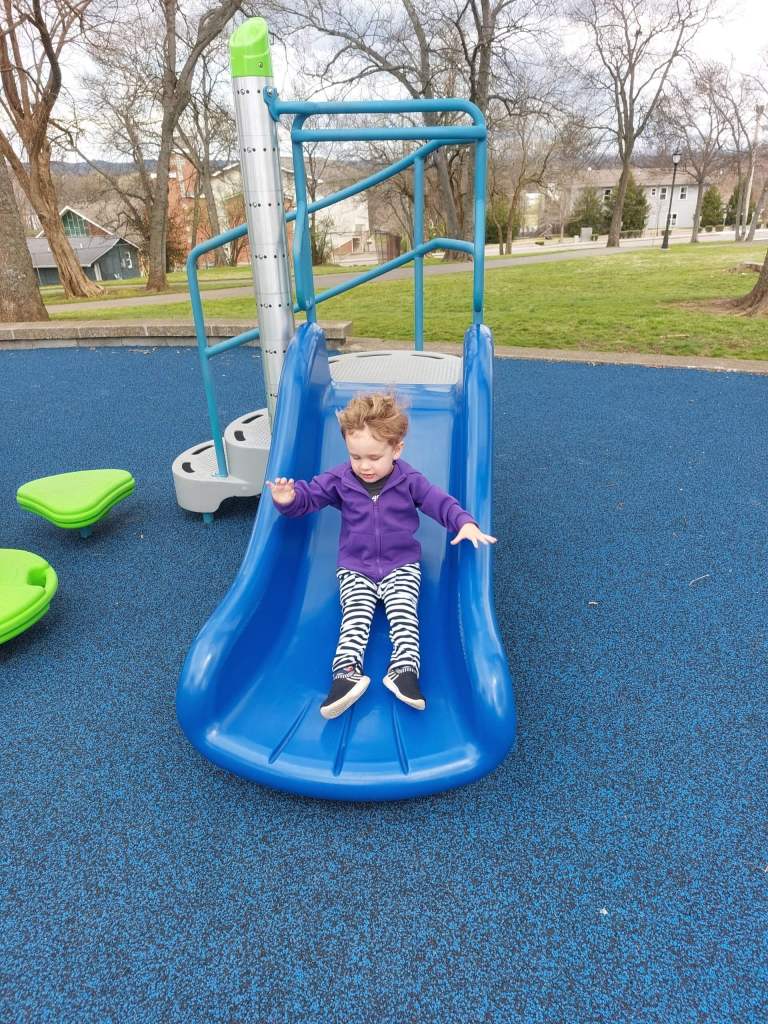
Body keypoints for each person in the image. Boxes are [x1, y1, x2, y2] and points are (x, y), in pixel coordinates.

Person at [266, 392, 496, 720]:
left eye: (374, 457)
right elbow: (309, 498)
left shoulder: (409, 480)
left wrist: (465, 522)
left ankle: (403, 672)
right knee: (354, 619)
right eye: (355, 457)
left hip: (401, 564)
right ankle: (345, 676)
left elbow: (439, 502)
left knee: (404, 616)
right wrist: (288, 499)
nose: (364, 466)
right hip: (355, 566)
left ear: (396, 449)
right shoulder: (340, 480)